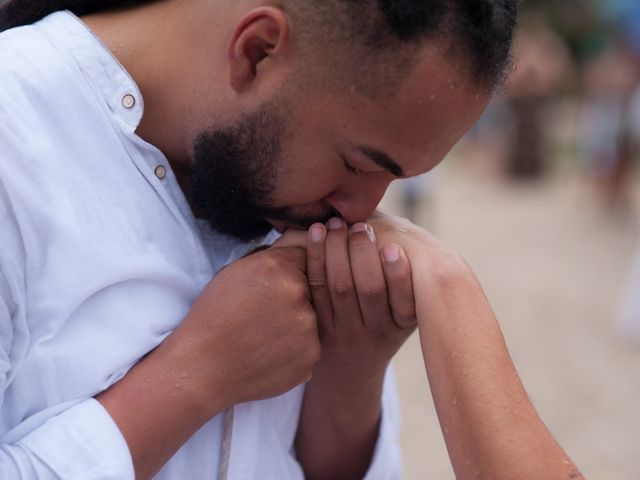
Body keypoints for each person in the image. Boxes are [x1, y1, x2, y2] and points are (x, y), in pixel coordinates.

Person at [0, 1, 580, 479]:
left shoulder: (281, 195)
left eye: (395, 180)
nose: (362, 210)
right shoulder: (16, 137)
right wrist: (194, 377)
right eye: (357, 163)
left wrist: (350, 376)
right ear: (257, 51)